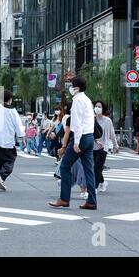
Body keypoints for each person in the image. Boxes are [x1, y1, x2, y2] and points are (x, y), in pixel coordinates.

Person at [49, 76, 97, 210]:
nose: (70, 88)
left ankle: (64, 199)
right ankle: (92, 201)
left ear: (77, 88)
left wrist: (76, 142)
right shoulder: (87, 100)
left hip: (80, 137)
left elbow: (77, 122)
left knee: (64, 166)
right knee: (89, 170)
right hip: (89, 137)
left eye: (71, 85)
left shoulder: (77, 101)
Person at [0, 90, 25, 192]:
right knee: (10, 160)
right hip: (8, 141)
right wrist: (22, 138)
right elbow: (18, 127)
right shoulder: (13, 111)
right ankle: (1, 178)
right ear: (10, 99)